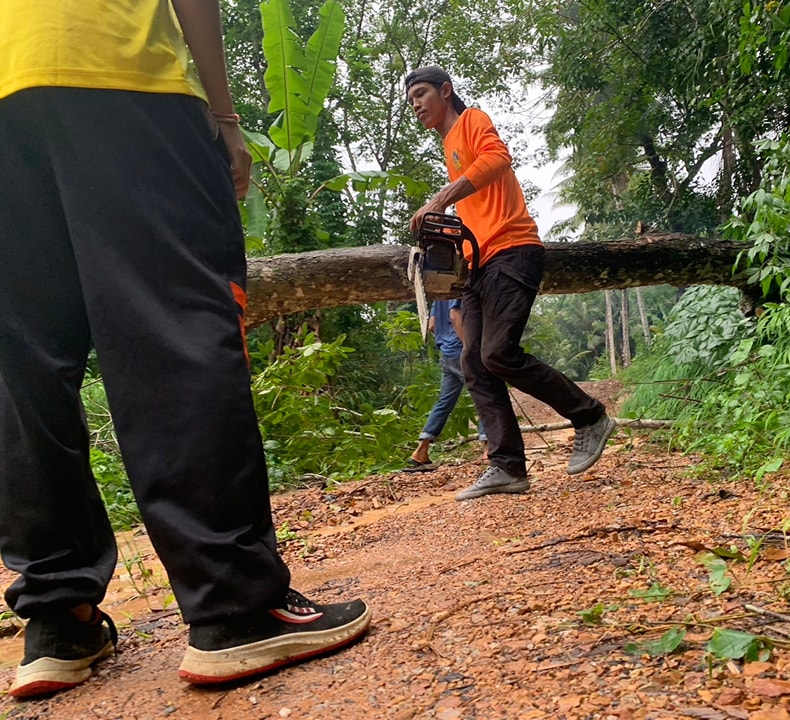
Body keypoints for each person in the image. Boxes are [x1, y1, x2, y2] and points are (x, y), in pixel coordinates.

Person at [0, 0, 370, 699]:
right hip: (116, 67)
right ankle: (235, 609)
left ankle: (57, 618)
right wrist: (224, 118)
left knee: (21, 364)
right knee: (170, 328)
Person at [405, 66, 617, 502]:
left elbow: (499, 159)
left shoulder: (472, 121)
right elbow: (477, 203)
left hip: (512, 249)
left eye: (422, 94)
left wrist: (439, 200)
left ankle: (590, 416)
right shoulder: (450, 145)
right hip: (479, 264)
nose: (417, 105)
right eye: (411, 100)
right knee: (475, 364)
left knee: (498, 353)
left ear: (447, 90)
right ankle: (506, 467)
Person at [405, 299, 486, 471]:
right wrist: (469, 347)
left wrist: (446, 340)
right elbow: (455, 315)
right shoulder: (456, 290)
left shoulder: (439, 298)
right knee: (484, 396)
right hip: (461, 352)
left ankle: (421, 451)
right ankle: (488, 449)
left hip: (446, 355)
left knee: (444, 402)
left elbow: (432, 325)